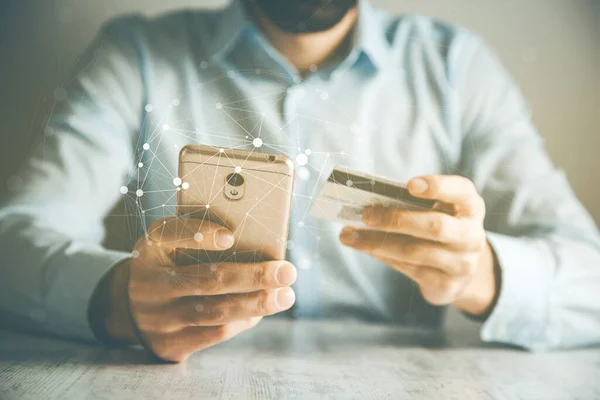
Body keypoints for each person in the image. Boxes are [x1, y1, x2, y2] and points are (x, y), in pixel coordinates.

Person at [1, 0, 599, 363]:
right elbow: (12, 248)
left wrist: (483, 273)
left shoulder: (456, 68)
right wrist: (115, 302)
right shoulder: (135, 54)